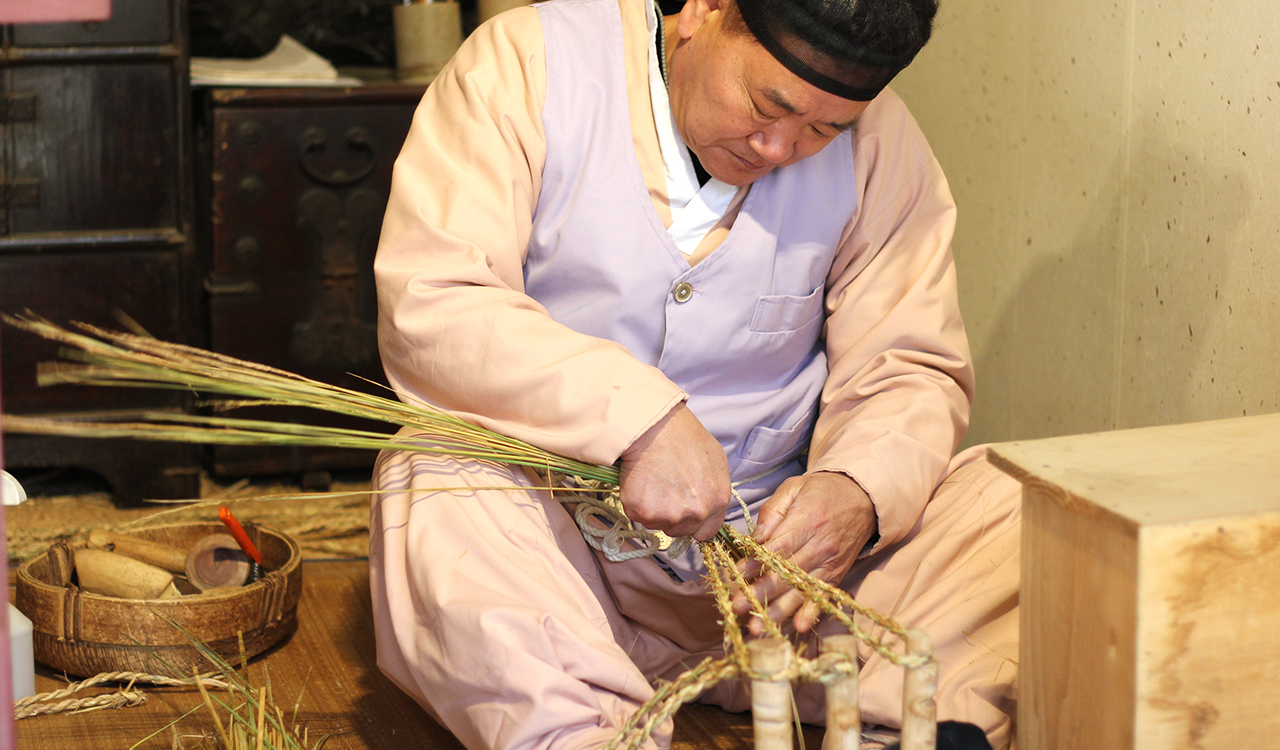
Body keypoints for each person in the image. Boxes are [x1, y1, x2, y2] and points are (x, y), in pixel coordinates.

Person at [369, 0, 1021, 747]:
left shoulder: (882, 142)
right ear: (705, 9)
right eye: (766, 104)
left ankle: (905, 723)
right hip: (563, 563)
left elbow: (909, 363)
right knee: (436, 477)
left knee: (1023, 510)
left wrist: (857, 493)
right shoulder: (527, 66)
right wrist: (637, 420)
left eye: (823, 130)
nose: (779, 148)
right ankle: (583, 731)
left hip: (784, 596)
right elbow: (439, 300)